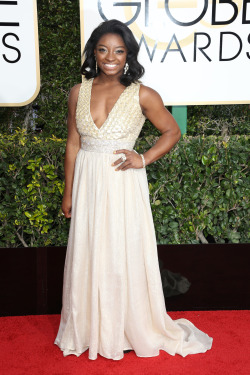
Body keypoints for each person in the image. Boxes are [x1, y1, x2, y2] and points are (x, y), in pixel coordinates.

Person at [54, 19, 213, 361]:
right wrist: (68, 192)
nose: (110, 57)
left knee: (121, 252)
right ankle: (92, 328)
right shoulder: (77, 92)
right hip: (88, 181)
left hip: (123, 183)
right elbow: (72, 144)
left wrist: (143, 158)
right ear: (93, 54)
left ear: (128, 55)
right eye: (102, 50)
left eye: (118, 51)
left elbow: (171, 131)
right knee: (90, 250)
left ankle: (128, 326)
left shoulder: (142, 93)